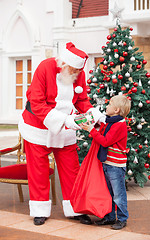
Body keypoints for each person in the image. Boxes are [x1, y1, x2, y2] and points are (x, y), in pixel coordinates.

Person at [18, 42, 105, 225]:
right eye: (72, 69)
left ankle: (75, 209)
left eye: (78, 71)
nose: (75, 74)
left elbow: (82, 99)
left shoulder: (78, 73)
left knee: (71, 170)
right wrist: (65, 120)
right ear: (64, 63)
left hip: (66, 127)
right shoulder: (45, 67)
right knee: (38, 171)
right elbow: (37, 102)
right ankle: (40, 210)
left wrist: (94, 114)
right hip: (37, 126)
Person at [80, 94, 131, 230]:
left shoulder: (119, 125)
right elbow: (102, 132)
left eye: (109, 104)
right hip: (108, 162)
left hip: (115, 165)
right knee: (108, 192)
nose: (106, 106)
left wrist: (91, 130)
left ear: (117, 110)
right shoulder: (111, 121)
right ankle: (109, 217)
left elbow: (105, 140)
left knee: (118, 194)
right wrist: (93, 125)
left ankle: (122, 218)